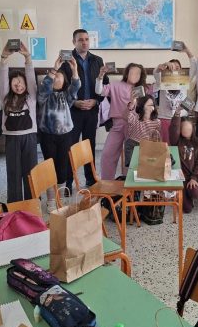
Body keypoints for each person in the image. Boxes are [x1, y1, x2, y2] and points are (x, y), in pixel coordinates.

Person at [60, 29, 106, 191]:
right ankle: (67, 183)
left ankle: (91, 180)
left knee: (89, 146)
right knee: (70, 147)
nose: (84, 42)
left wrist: (96, 100)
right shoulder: (66, 61)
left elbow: (104, 85)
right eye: (80, 40)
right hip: (72, 112)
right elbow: (60, 86)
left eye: (87, 39)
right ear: (74, 42)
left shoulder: (97, 60)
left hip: (91, 111)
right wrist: (74, 102)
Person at [37, 54, 80, 210]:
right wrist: (55, 69)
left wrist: (74, 69)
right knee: (50, 167)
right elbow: (44, 87)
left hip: (65, 136)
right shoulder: (44, 96)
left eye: (59, 77)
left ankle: (59, 199)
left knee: (62, 167)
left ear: (64, 81)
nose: (56, 79)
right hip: (48, 136)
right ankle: (50, 200)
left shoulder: (66, 96)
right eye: (54, 77)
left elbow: (75, 86)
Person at [0, 41, 38, 202]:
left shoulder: (31, 97)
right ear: (10, 85)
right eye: (14, 83)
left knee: (31, 173)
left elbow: (30, 76)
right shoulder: (5, 97)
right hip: (12, 139)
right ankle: (14, 205)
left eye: (21, 82)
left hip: (29, 137)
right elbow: (3, 77)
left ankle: (31, 203)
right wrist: (4, 58)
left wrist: (27, 58)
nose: (18, 85)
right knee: (13, 173)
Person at [95, 63, 148, 179]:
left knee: (133, 157)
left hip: (135, 127)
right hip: (118, 125)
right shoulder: (115, 85)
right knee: (107, 154)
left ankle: (131, 183)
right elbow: (99, 91)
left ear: (141, 76)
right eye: (132, 72)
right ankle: (107, 183)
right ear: (127, 73)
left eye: (138, 73)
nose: (134, 75)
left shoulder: (142, 90)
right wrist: (100, 76)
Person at [153, 43, 196, 143]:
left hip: (182, 118)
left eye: (177, 67)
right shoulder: (162, 80)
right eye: (172, 67)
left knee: (181, 146)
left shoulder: (184, 80)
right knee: (166, 146)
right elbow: (156, 72)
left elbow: (194, 67)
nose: (174, 69)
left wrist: (187, 51)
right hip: (165, 119)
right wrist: (164, 65)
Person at [169, 110, 198, 213]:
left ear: (192, 129)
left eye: (189, 129)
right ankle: (183, 196)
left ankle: (190, 195)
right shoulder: (177, 141)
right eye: (184, 128)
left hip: (192, 176)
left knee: (195, 193)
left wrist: (195, 178)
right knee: (187, 209)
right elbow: (174, 129)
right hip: (180, 178)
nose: (186, 131)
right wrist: (177, 115)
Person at [123, 94, 162, 167]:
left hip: (148, 145)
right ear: (142, 106)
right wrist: (131, 105)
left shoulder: (157, 122)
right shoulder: (135, 118)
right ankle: (131, 165)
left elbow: (156, 138)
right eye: (149, 105)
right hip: (134, 144)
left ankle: (167, 159)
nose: (152, 107)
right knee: (129, 143)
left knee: (159, 147)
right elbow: (126, 116)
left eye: (153, 105)